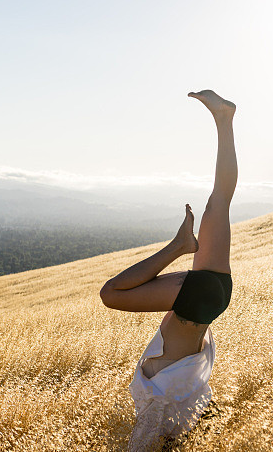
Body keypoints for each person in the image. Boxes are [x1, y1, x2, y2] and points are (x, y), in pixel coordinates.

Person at [100, 89, 237, 450]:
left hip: (215, 297)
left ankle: (225, 121)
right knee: (219, 202)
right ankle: (223, 121)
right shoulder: (173, 405)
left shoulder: (167, 406)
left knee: (218, 201)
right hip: (199, 302)